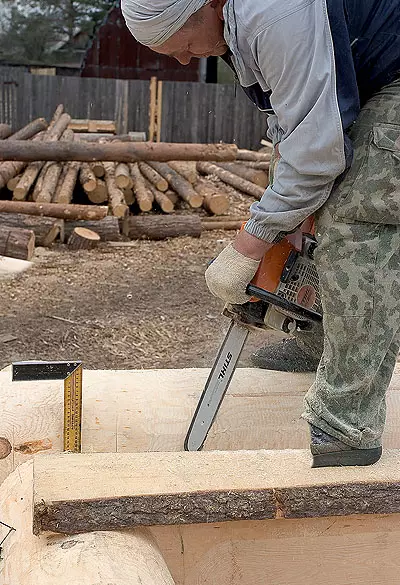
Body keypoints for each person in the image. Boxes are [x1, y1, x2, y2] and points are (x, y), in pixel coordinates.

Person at [121, 0, 400, 467]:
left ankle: (348, 422)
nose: (186, 60)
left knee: (355, 218)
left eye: (184, 45)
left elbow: (317, 153)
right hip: (372, 83)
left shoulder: (272, 13)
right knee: (308, 209)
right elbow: (292, 128)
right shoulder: (238, 26)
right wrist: (288, 217)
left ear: (205, 7)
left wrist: (249, 243)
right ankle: (321, 341)